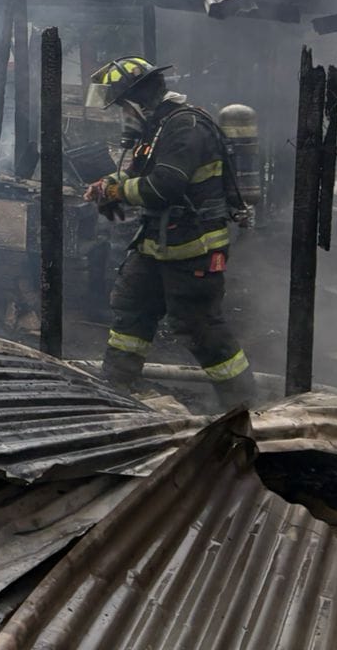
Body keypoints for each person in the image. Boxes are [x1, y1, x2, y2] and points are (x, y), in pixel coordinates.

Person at [83, 57, 257, 410]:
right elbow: (138, 173)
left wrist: (118, 193)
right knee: (131, 310)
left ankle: (244, 408)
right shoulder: (157, 128)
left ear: (136, 100)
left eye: (122, 107)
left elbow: (164, 187)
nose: (122, 116)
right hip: (155, 246)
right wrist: (105, 186)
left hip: (194, 249)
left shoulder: (185, 127)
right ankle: (116, 387)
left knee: (200, 329)